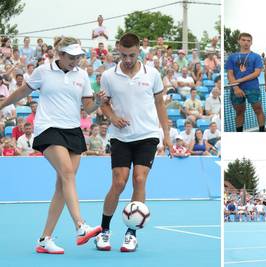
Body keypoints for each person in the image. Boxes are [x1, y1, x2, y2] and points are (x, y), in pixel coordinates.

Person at [0, 36, 104, 254]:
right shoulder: (43, 71)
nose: (75, 61)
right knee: (67, 173)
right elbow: (22, 92)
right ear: (60, 54)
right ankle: (81, 226)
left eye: (78, 57)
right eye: (71, 57)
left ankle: (44, 239)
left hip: (73, 130)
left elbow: (89, 108)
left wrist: (98, 102)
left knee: (62, 184)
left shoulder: (82, 75)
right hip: (48, 128)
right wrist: (2, 104)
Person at [95, 33, 173, 252]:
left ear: (139, 50)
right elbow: (104, 105)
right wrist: (112, 117)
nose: (127, 59)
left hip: (147, 135)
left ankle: (131, 233)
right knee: (119, 182)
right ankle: (104, 231)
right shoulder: (108, 76)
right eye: (123, 54)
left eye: (131, 55)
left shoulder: (153, 74)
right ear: (117, 49)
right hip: (120, 136)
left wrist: (166, 135)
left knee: (139, 179)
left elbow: (160, 104)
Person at [225, 32, 265, 132]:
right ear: (239, 41)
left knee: (258, 110)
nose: (246, 42)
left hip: (252, 88)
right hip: (236, 89)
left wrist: (239, 81)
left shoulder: (256, 56)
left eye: (248, 40)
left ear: (251, 42)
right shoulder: (232, 57)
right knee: (239, 112)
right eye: (243, 40)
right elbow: (230, 74)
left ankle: (262, 131)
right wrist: (236, 87)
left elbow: (256, 73)